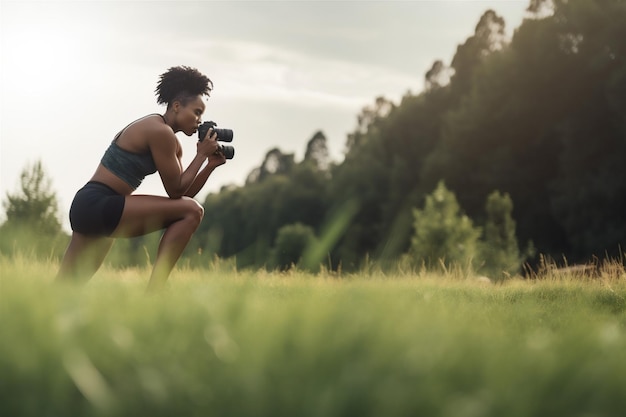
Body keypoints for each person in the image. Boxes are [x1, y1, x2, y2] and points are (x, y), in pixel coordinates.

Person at [57, 66, 226, 292]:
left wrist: (209, 165)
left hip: (89, 206)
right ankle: (154, 294)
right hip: (99, 203)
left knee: (64, 289)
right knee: (193, 211)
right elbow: (176, 194)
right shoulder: (159, 131)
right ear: (177, 106)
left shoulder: (172, 143)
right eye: (196, 112)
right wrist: (201, 155)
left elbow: (183, 194)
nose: (199, 120)